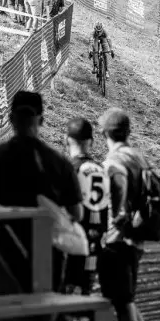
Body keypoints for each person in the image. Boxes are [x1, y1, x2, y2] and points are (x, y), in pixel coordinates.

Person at [0, 91, 83, 292]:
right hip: (47, 254)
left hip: (1, 252)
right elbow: (77, 214)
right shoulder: (59, 163)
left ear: (11, 119)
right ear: (41, 120)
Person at [97, 108, 149, 321]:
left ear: (104, 133)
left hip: (118, 239)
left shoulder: (113, 162)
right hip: (136, 238)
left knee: (124, 303)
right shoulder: (139, 158)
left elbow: (117, 205)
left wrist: (112, 228)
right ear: (128, 132)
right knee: (129, 299)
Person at [64, 118, 110, 295]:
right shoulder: (101, 169)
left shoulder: (69, 168)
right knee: (87, 291)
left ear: (67, 140)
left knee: (69, 291)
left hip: (74, 241)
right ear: (91, 142)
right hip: (97, 241)